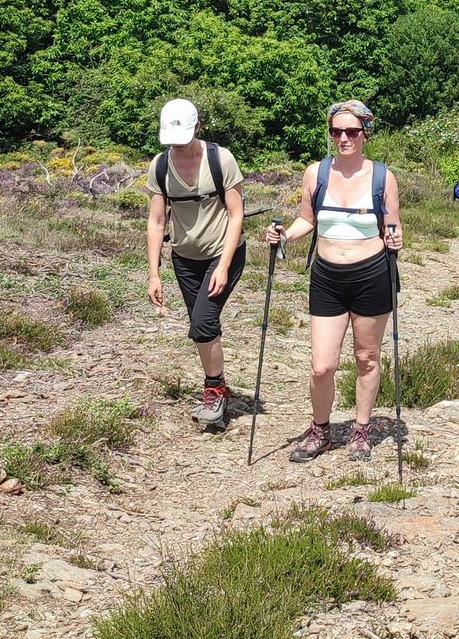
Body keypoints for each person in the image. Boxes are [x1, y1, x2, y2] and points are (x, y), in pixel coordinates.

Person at [267, 99, 402, 463]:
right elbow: (306, 219)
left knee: (367, 358)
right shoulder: (317, 173)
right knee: (322, 365)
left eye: (352, 132)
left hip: (372, 274)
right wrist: (283, 235)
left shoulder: (381, 176)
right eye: (337, 131)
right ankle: (320, 430)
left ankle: (360, 431)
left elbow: (393, 224)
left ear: (365, 135)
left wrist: (395, 240)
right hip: (326, 275)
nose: (344, 138)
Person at [146, 98, 247, 432]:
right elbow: (157, 221)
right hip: (184, 259)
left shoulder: (221, 160)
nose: (177, 143)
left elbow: (236, 214)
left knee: (202, 323)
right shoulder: (160, 167)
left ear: (198, 127)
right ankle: (218, 387)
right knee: (205, 327)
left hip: (223, 253)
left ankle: (214, 392)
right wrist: (154, 273)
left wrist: (224, 265)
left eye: (184, 135)